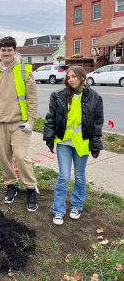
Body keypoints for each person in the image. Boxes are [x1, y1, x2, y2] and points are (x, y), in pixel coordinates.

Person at [0, 36, 39, 212]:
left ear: (15, 51)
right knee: (4, 158)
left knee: (21, 157)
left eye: (9, 50)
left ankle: (30, 188)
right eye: (3, 50)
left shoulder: (24, 71)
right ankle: (11, 185)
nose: (6, 53)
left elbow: (32, 99)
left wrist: (31, 121)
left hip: (19, 124)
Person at [43, 66, 104, 225]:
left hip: (82, 143)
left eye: (73, 76)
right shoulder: (58, 96)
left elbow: (97, 123)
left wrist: (96, 143)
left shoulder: (95, 97)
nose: (70, 79)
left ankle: (77, 205)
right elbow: (50, 118)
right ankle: (58, 210)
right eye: (68, 77)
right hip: (64, 141)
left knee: (79, 176)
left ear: (82, 78)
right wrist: (49, 137)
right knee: (63, 176)